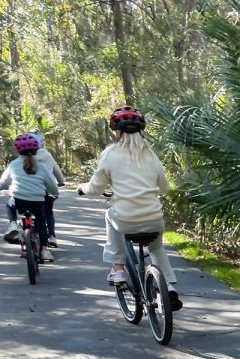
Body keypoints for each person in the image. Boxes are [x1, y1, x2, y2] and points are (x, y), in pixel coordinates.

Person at [77, 106, 181, 310]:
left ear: (117, 131)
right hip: (154, 218)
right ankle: (168, 286)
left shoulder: (110, 154)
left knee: (109, 215)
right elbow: (165, 188)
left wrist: (82, 189)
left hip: (126, 220)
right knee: (156, 248)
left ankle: (118, 268)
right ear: (141, 129)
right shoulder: (151, 155)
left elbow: (96, 188)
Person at [0, 133, 59, 262]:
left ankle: (13, 224)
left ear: (17, 150)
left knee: (9, 205)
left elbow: (3, 181)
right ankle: (44, 250)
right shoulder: (41, 166)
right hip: (37, 202)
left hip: (19, 200)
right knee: (42, 223)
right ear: (37, 150)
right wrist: (55, 193)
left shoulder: (13, 164)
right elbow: (51, 185)